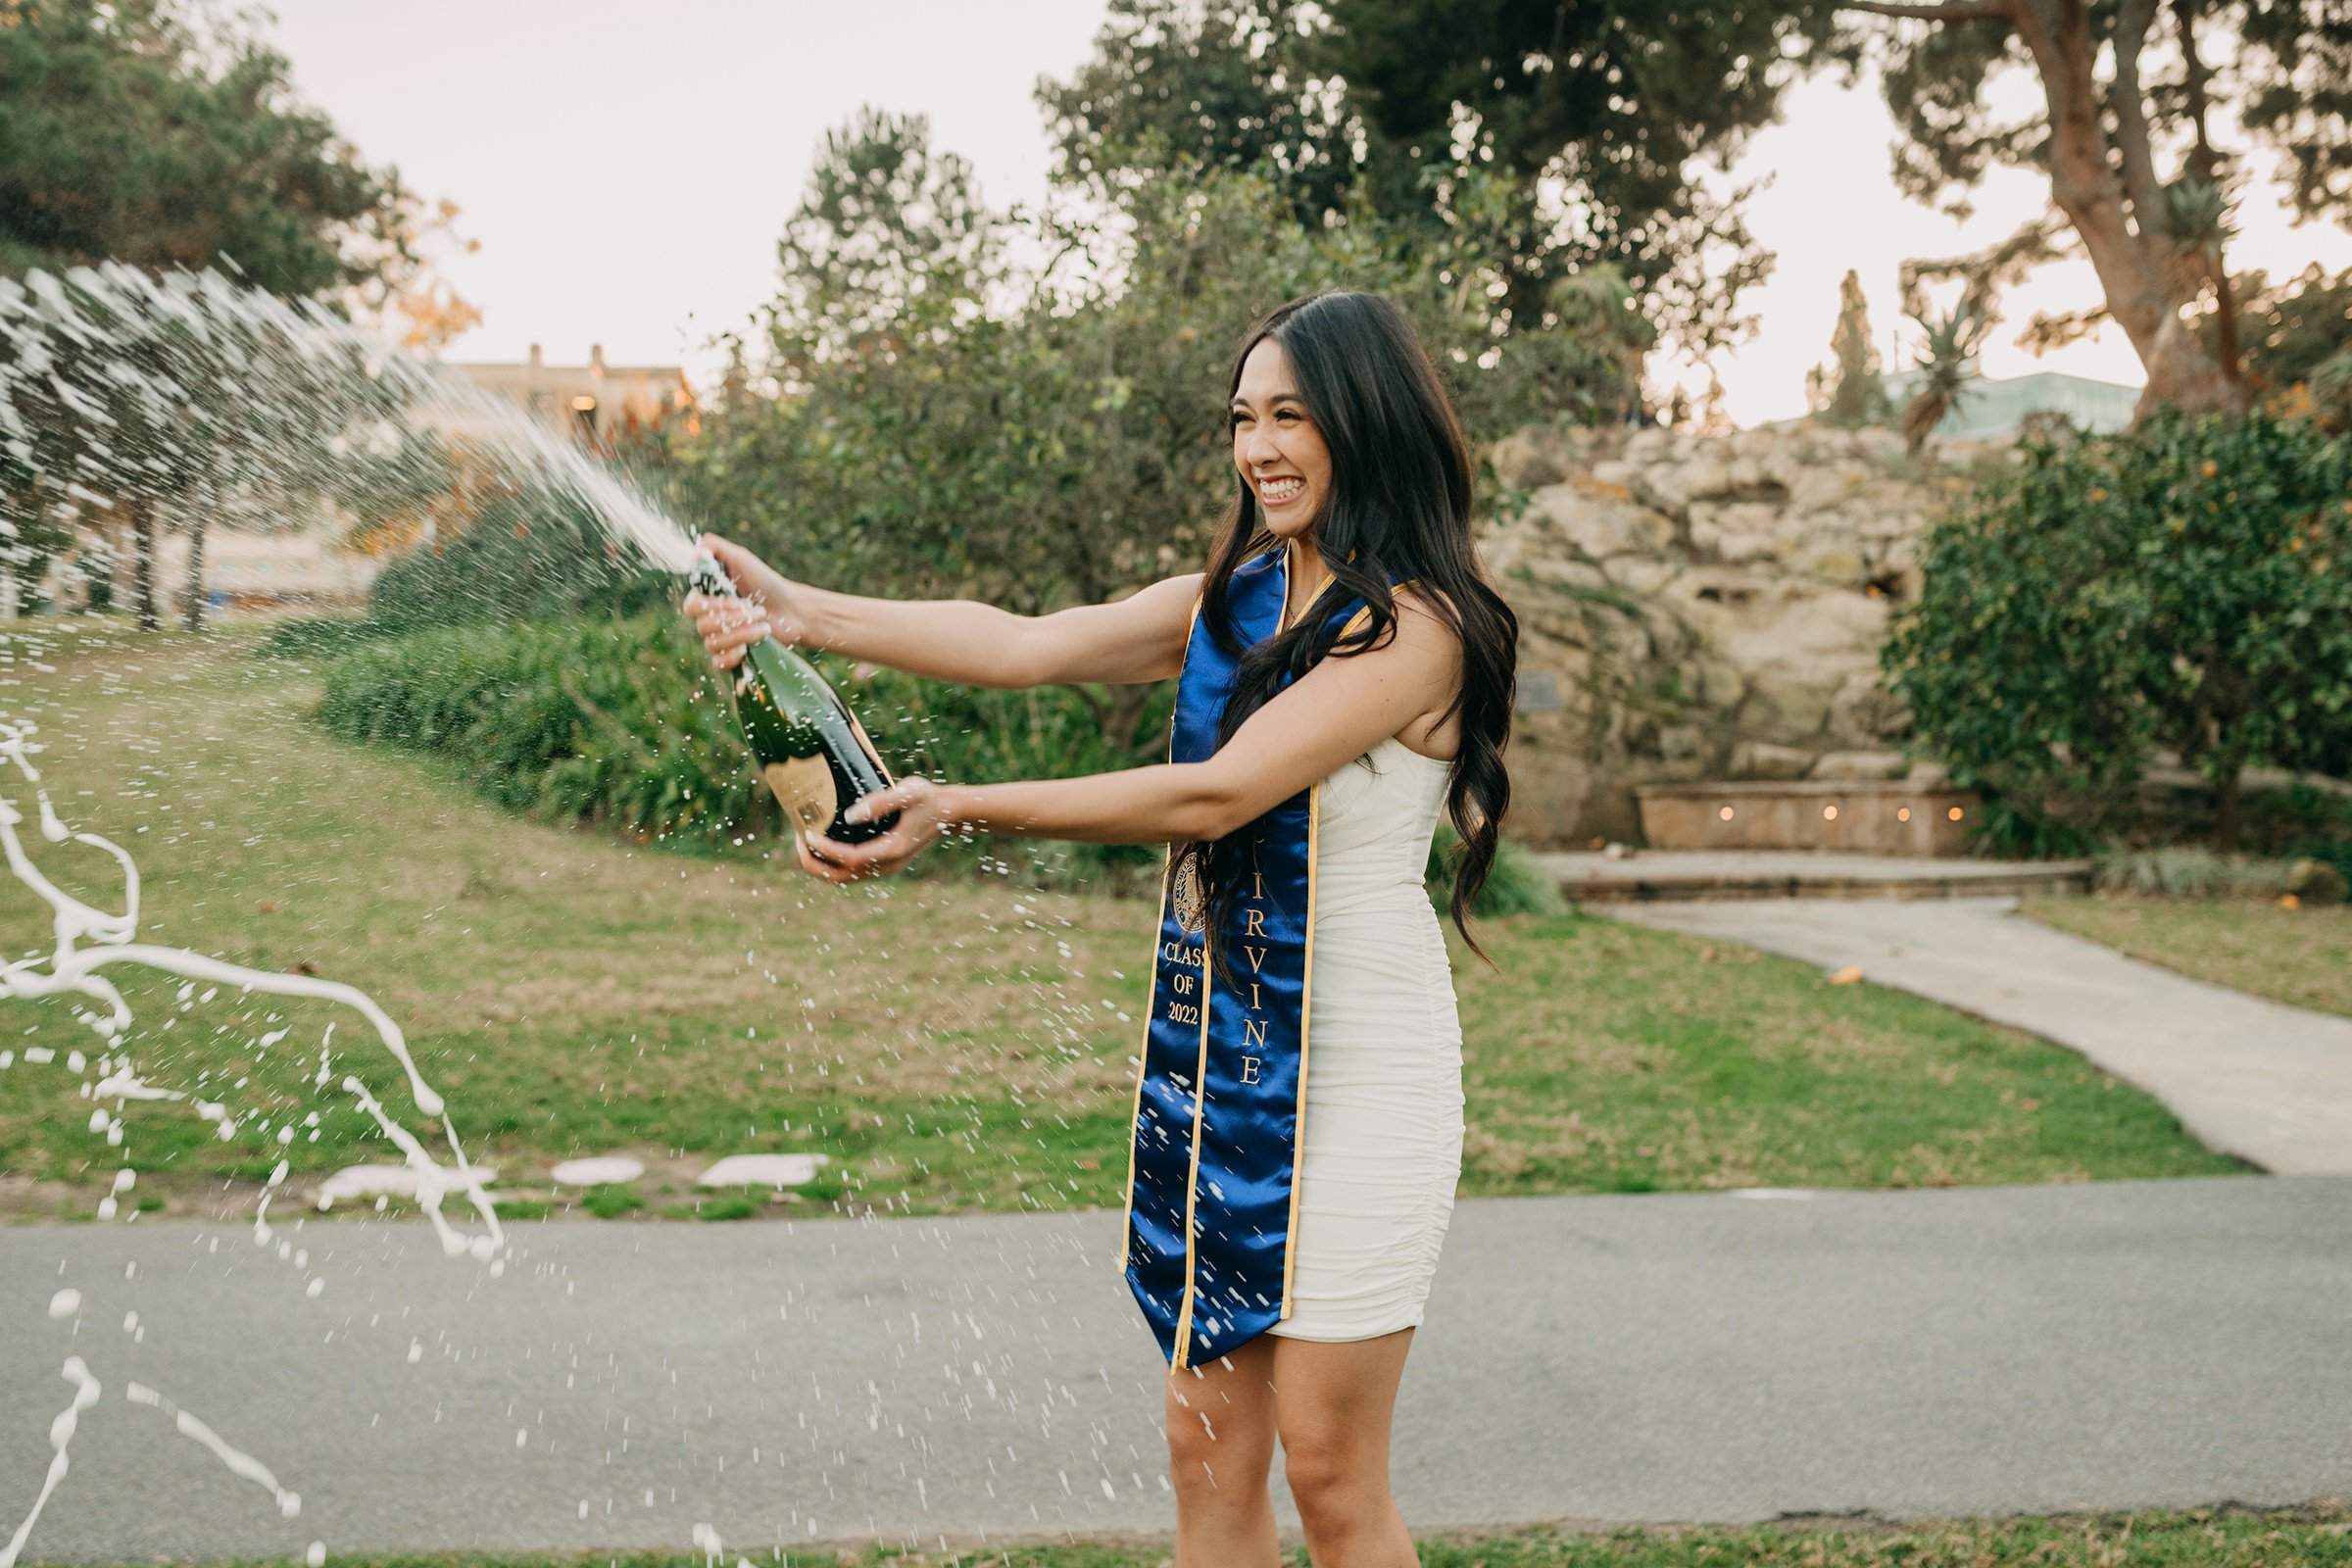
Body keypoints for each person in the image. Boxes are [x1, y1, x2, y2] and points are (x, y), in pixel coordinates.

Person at [685, 289, 1517, 1567]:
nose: (1260, 448)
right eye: (1244, 419)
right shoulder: (1235, 598)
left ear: (1369, 422)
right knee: (1205, 1453)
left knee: (1333, 1470)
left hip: (1362, 1077)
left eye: (1293, 416)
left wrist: (960, 807)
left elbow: (1221, 790)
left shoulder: (1419, 629)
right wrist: (802, 611)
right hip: (1217, 1061)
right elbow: (1030, 644)